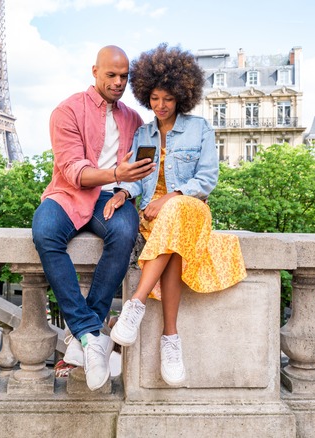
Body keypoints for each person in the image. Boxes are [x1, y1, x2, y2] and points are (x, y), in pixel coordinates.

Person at [105, 44, 247, 386]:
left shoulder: (200, 129)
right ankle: (171, 339)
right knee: (172, 244)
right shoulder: (143, 134)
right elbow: (138, 181)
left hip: (190, 207)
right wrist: (123, 192)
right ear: (146, 96)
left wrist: (169, 197)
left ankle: (135, 305)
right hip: (154, 217)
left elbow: (206, 180)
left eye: (168, 98)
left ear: (181, 96)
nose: (161, 105)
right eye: (154, 98)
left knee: (178, 212)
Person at [31, 45, 155, 391]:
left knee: (125, 231)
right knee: (44, 232)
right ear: (95, 72)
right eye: (111, 75)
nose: (118, 82)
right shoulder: (67, 111)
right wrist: (116, 172)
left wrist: (124, 190)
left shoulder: (134, 120)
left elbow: (142, 173)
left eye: (124, 76)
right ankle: (91, 335)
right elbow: (72, 171)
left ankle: (84, 335)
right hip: (68, 193)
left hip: (110, 197)